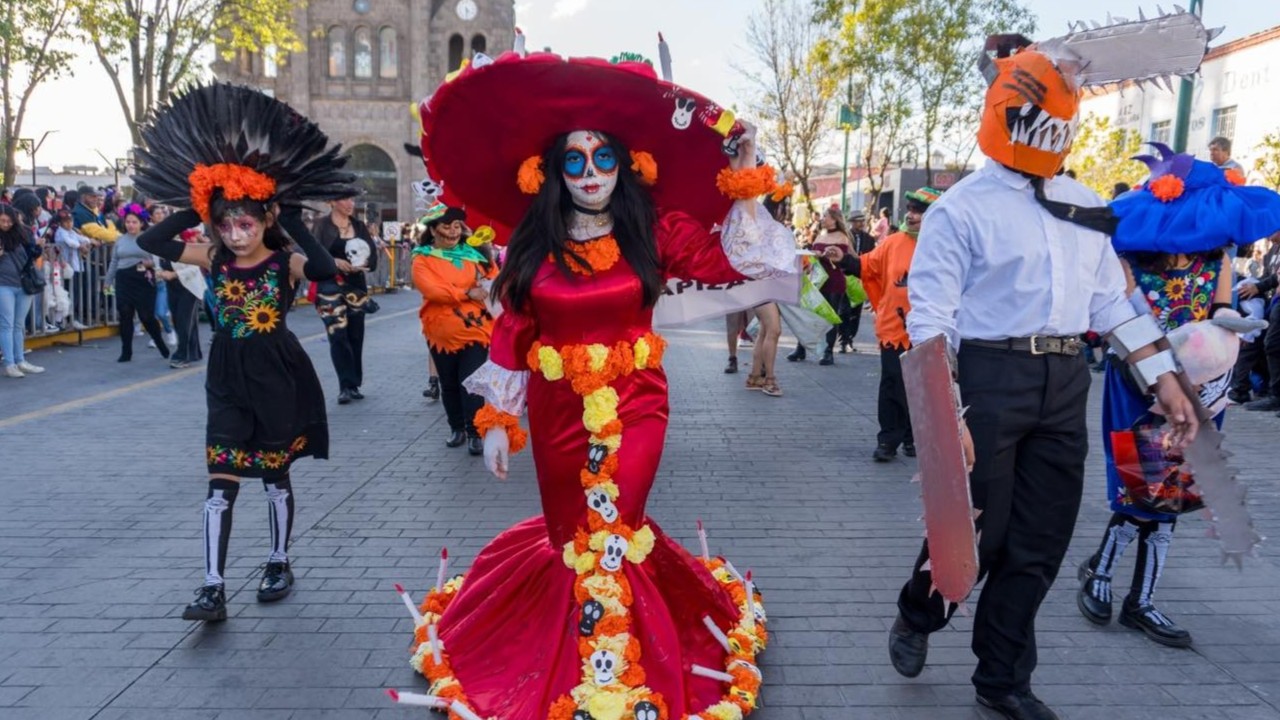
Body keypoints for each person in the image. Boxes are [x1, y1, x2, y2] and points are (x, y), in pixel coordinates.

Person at [403, 50, 794, 719]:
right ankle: (559, 649)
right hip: (559, 411)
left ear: (627, 163)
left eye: (603, 158)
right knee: (568, 535)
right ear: (552, 171)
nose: (589, 173)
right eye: (574, 161)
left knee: (617, 525)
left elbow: (738, 260)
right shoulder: (537, 240)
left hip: (639, 403)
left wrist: (742, 173)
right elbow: (513, 329)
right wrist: (497, 420)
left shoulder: (657, 229)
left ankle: (618, 662)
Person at [888, 38, 1202, 720]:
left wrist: (1164, 379)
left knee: (1039, 538)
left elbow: (1111, 302)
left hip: (1065, 380)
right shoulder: (960, 209)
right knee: (974, 532)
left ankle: (1001, 678)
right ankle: (919, 611)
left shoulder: (1085, 204)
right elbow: (931, 321)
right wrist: (948, 420)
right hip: (988, 376)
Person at [131, 83, 355, 622]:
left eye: (246, 222)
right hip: (227, 374)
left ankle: (279, 560)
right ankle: (212, 585)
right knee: (220, 481)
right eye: (226, 223)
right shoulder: (211, 256)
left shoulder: (283, 262)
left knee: (276, 475)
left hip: (276, 371)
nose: (234, 233)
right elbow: (151, 244)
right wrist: (197, 201)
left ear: (265, 219)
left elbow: (324, 271)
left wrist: (293, 216)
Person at [1076, 150, 1280, 648]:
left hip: (1203, 390)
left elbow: (1222, 309)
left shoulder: (1219, 259)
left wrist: (1232, 325)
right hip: (1138, 385)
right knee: (1143, 486)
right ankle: (1102, 573)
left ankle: (1139, 598)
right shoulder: (1128, 260)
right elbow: (1117, 319)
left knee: (1179, 489)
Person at [829, 187, 941, 462]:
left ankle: (914, 437)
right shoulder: (893, 242)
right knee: (893, 383)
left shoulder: (944, 244)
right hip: (895, 327)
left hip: (931, 329)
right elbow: (868, 266)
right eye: (910, 210)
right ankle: (889, 439)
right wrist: (842, 259)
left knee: (924, 387)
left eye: (918, 211)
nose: (911, 216)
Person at [410, 203, 495, 454]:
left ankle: (475, 432)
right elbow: (432, 291)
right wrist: (467, 292)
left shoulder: (474, 255)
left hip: (476, 330)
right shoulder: (422, 258)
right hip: (440, 333)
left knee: (472, 382)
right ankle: (456, 428)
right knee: (449, 383)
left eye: (457, 225)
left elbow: (494, 279)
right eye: (447, 226)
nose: (453, 231)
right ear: (434, 230)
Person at [311, 195, 377, 404]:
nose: (351, 204)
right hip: (329, 286)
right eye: (345, 200)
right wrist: (334, 262)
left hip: (355, 285)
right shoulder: (321, 225)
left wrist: (363, 263)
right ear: (331, 202)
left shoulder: (359, 225)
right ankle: (345, 385)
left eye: (352, 200)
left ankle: (355, 383)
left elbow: (372, 254)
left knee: (355, 334)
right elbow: (312, 252)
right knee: (337, 334)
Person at [787, 205, 852, 365]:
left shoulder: (842, 237)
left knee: (830, 316)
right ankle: (801, 348)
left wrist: (823, 255)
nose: (822, 219)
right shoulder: (820, 235)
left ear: (834, 219)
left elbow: (845, 259)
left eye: (825, 216)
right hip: (816, 280)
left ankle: (828, 351)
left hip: (834, 281)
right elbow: (813, 258)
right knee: (807, 315)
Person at [106, 203, 170, 362]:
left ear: (141, 223)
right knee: (125, 313)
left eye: (134, 222)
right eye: (128, 222)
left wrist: (152, 264)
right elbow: (114, 261)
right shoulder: (120, 240)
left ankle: (160, 342)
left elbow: (157, 259)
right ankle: (126, 351)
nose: (130, 225)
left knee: (146, 316)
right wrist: (108, 281)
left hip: (143, 279)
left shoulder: (147, 238)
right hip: (123, 279)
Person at [153, 206, 205, 369]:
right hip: (172, 287)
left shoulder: (185, 244)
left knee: (184, 321)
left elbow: (194, 267)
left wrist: (174, 275)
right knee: (179, 320)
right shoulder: (158, 246)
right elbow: (157, 266)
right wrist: (160, 273)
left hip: (189, 287)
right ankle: (193, 352)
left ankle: (182, 355)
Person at [0, 203, 46, 377]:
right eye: (2, 221)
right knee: (6, 324)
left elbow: (30, 256)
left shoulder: (22, 233)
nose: (6, 224)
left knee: (18, 325)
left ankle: (20, 360)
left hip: (23, 283)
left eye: (8, 221)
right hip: (3, 284)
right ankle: (10, 363)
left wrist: (38, 247)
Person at [52, 210, 92, 330]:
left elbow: (83, 239)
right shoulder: (61, 233)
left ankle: (73, 318)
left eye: (70, 221)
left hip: (75, 267)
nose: (69, 224)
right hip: (65, 268)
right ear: (60, 223)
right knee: (66, 294)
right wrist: (80, 246)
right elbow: (69, 243)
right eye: (66, 222)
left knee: (75, 294)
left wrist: (86, 242)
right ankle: (64, 319)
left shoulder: (72, 232)